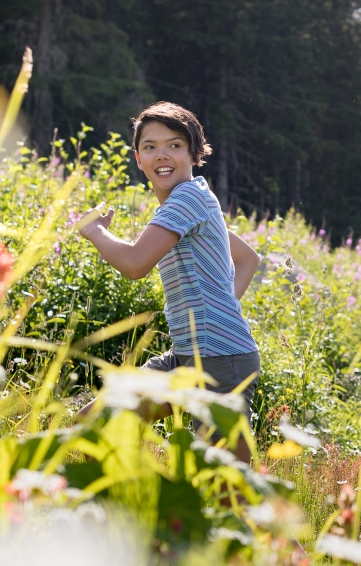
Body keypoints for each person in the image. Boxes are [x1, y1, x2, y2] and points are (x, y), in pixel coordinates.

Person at [72, 102, 262, 449]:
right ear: (138, 158)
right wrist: (218, 310)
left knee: (227, 487)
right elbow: (249, 258)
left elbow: (134, 264)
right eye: (150, 147)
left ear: (194, 154)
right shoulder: (193, 203)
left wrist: (95, 231)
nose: (162, 155)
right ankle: (113, 505)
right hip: (188, 356)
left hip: (222, 361)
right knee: (94, 422)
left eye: (174, 145)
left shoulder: (188, 197)